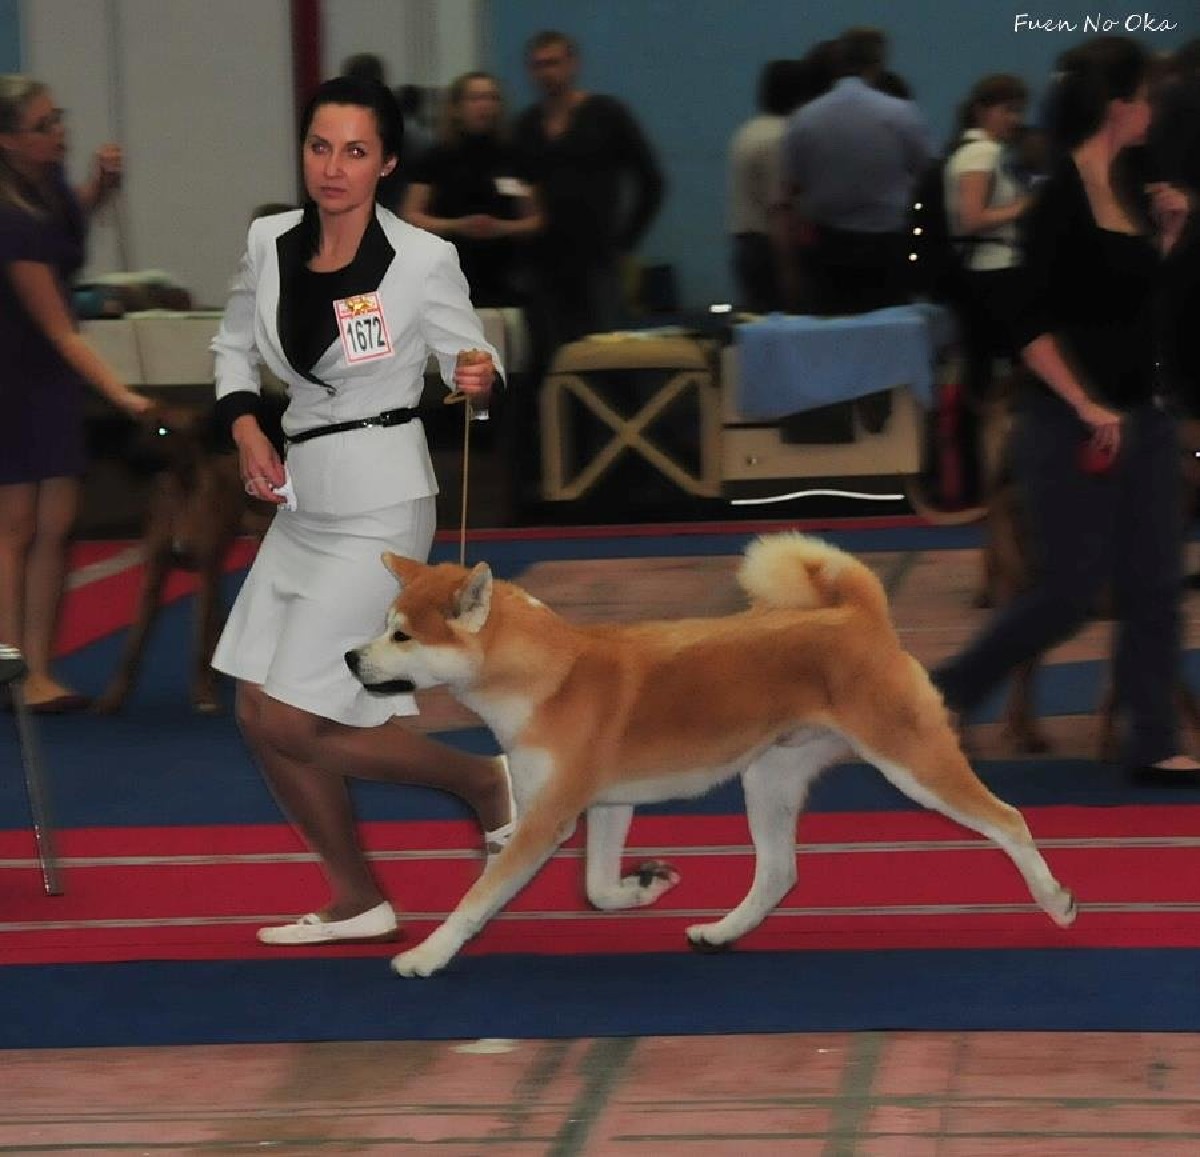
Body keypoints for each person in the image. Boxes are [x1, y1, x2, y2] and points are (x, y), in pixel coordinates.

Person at [209, 75, 515, 945]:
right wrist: (244, 425)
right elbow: (231, 344)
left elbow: (473, 360)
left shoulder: (422, 258)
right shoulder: (268, 242)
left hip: (383, 499)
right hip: (302, 496)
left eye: (354, 151)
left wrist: (480, 378)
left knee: (293, 716)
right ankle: (356, 897)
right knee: (256, 709)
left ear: (385, 163)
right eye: (320, 147)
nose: (333, 167)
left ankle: (485, 784)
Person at [932, 36, 1200, 785]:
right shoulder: (1056, 202)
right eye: (1143, 97)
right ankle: (942, 693)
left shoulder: (1135, 184)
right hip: (1064, 423)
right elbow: (1027, 323)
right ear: (1117, 106)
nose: (1153, 110)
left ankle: (1152, 742)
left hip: (1141, 416)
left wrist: (1169, 236)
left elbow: (1129, 305)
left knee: (1155, 587)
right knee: (1068, 594)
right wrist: (1082, 402)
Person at [0, 75, 153, 712]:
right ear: (8, 141)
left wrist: (98, 187)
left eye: (57, 118)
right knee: (14, 527)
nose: (59, 131)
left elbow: (67, 226)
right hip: (14, 375)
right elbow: (60, 328)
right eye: (43, 126)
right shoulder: (9, 217)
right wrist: (125, 397)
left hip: (52, 376)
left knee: (56, 527)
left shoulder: (48, 187)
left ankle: (40, 669)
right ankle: (10, 667)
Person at [513, 29, 665, 351]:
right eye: (538, 65)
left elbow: (651, 180)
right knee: (550, 352)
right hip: (544, 261)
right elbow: (517, 185)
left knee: (604, 351)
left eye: (553, 63)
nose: (547, 73)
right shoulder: (526, 126)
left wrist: (626, 241)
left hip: (597, 256)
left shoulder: (607, 115)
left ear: (573, 64)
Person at [780, 26, 932, 316]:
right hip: (888, 244)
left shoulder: (804, 119)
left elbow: (793, 187)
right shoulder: (900, 113)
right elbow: (924, 172)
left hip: (827, 246)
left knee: (835, 328)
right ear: (879, 62)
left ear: (838, 62)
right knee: (888, 327)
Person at [402, 71, 542, 308]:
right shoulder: (436, 158)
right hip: (448, 278)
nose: (484, 105)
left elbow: (535, 220)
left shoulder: (516, 157)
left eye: (491, 98)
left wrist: (500, 228)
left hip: (506, 279)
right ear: (456, 109)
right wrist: (458, 226)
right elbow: (411, 215)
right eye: (475, 98)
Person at [726, 58, 808, 314]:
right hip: (770, 249)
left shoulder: (747, 132)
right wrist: (789, 270)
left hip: (745, 245)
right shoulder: (780, 138)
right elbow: (779, 208)